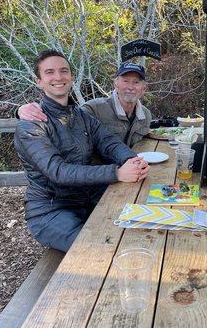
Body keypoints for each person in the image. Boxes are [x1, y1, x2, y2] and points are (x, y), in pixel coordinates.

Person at [14, 50, 150, 252]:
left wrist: (133, 161)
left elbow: (109, 142)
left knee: (140, 228)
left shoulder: (80, 115)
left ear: (71, 77)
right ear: (39, 81)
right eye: (50, 72)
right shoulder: (31, 125)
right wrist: (117, 173)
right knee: (98, 250)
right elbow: (58, 172)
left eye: (64, 71)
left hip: (89, 198)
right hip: (52, 209)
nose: (58, 77)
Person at [18, 62, 152, 147]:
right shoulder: (94, 108)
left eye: (136, 82)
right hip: (99, 179)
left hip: (131, 173)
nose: (130, 87)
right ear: (115, 84)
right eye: (125, 81)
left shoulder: (145, 115)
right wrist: (19, 110)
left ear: (143, 88)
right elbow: (64, 118)